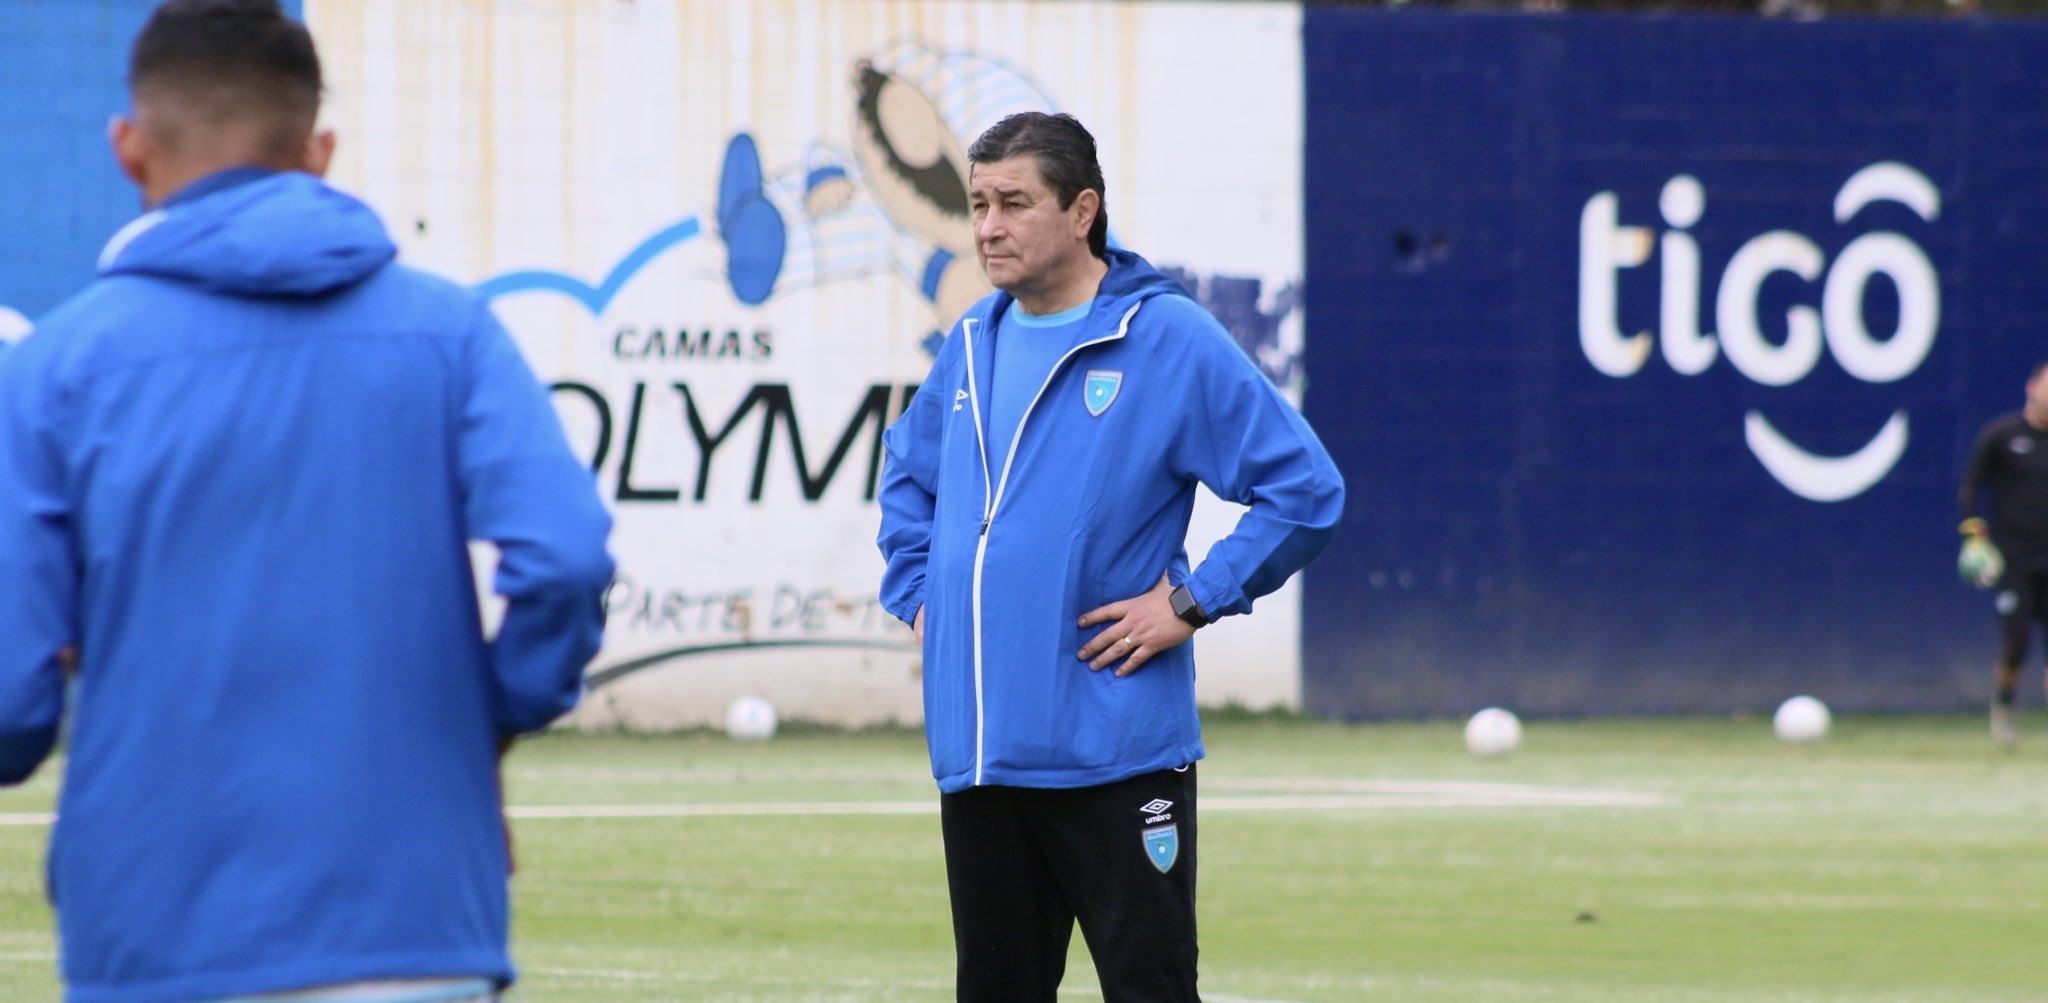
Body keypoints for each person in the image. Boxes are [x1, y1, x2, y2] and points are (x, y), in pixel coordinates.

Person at [0, 3, 615, 1001]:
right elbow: (567, 558)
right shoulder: (450, 334)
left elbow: (9, 688)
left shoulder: (57, 367)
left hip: (153, 930)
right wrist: (492, 716)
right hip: (415, 922)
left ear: (127, 147)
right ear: (319, 150)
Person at [875, 111, 1345, 1003]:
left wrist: (1194, 599)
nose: (987, 227)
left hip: (1117, 757)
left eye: (1014, 203)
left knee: (1152, 991)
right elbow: (907, 474)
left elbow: (1307, 491)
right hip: (981, 756)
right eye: (978, 204)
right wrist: (918, 590)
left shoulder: (1167, 338)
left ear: (1082, 209)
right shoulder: (972, 343)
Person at [1959, 360, 2048, 747]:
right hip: (2013, 560)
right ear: (2032, 387)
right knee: (2017, 643)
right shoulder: (2002, 434)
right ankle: (2005, 704)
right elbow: (1971, 487)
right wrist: (1975, 536)